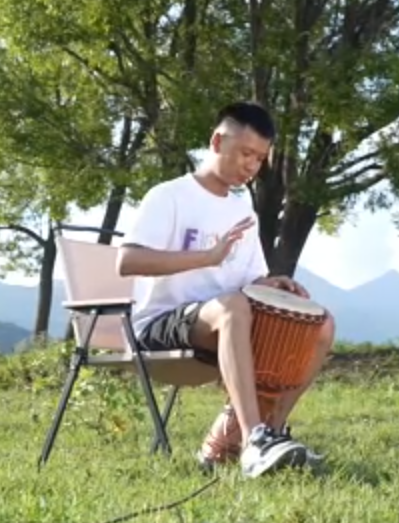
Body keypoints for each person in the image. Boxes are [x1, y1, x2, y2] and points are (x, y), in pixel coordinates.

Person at [117, 101, 335, 477]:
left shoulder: (243, 209)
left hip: (223, 319)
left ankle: (274, 432)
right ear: (217, 141)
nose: (252, 166)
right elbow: (128, 261)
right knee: (233, 306)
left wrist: (272, 284)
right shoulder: (168, 195)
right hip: (159, 325)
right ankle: (254, 440)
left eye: (260, 158)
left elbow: (248, 282)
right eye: (246, 153)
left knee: (321, 323)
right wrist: (207, 257)